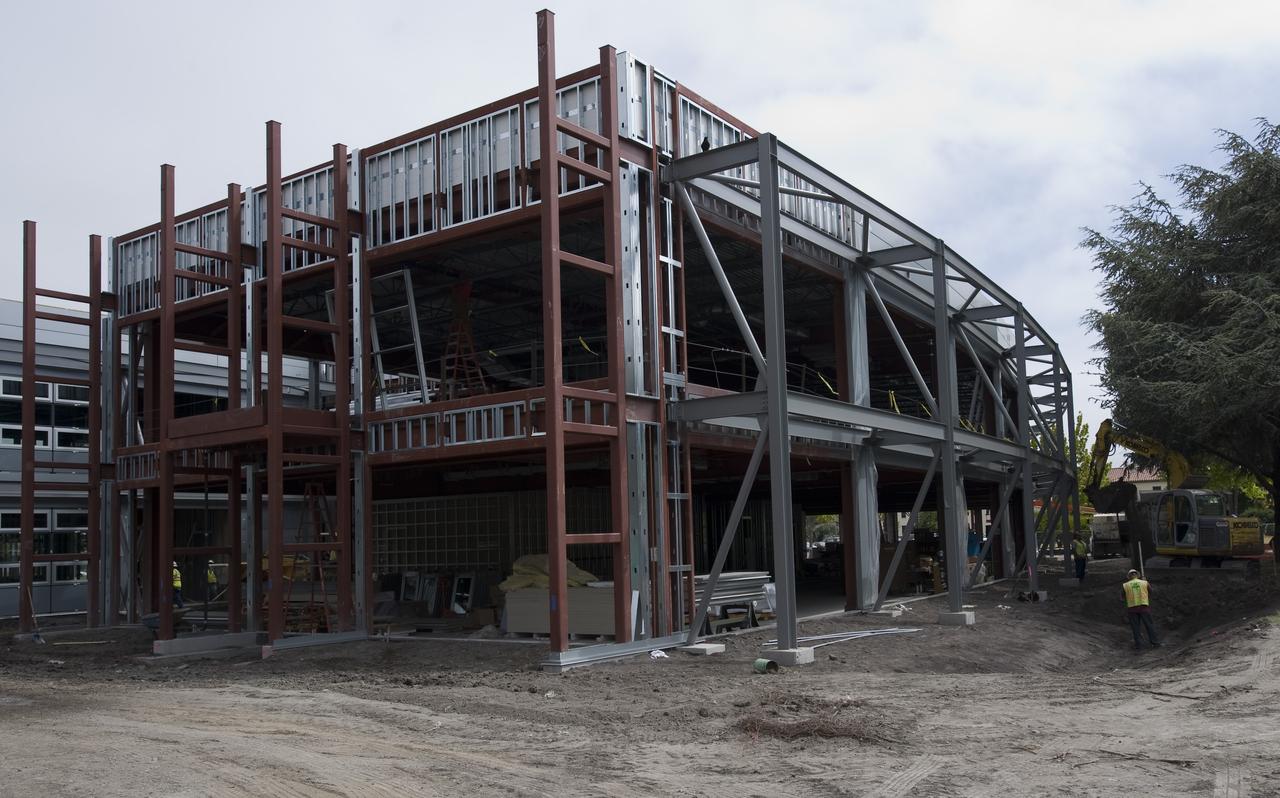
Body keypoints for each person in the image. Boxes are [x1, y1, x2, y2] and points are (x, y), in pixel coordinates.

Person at [1122, 568, 1160, 650]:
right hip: (1144, 607)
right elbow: (1151, 592)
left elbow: (1122, 596)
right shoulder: (1144, 583)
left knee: (1135, 628)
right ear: (1137, 575)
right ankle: (1155, 643)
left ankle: (1139, 645)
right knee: (1149, 625)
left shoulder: (1125, 585)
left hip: (1132, 609)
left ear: (1129, 576)